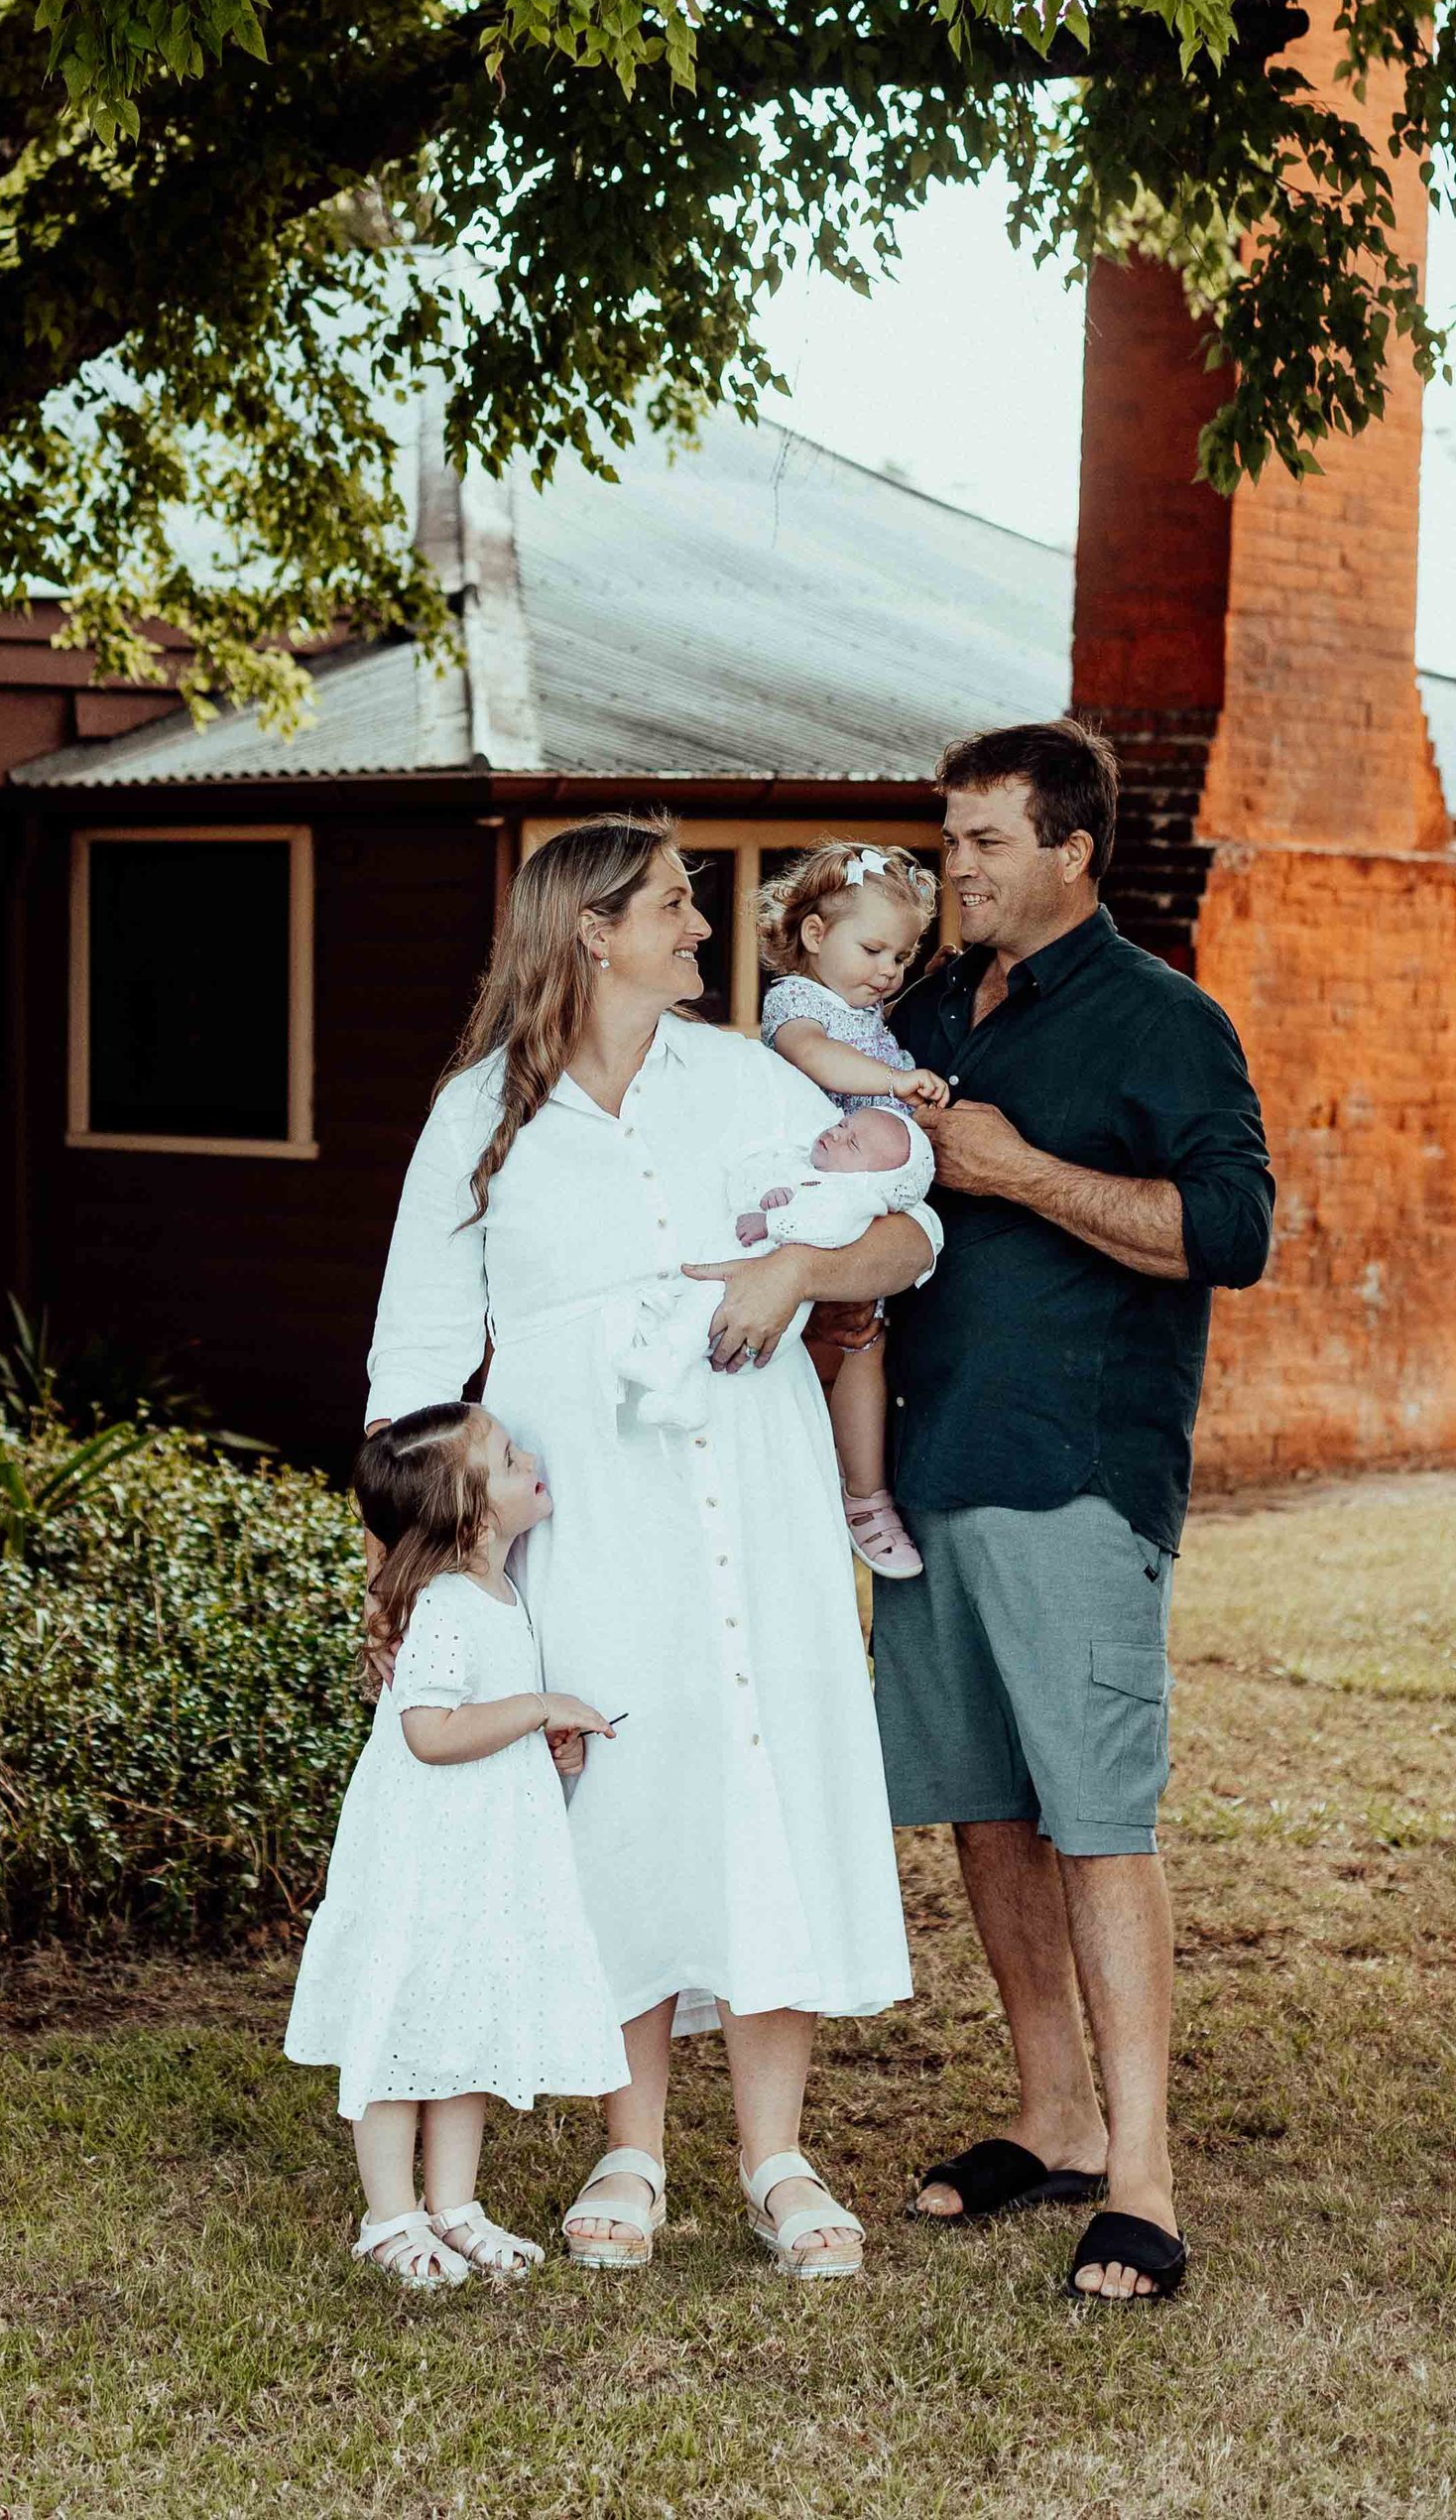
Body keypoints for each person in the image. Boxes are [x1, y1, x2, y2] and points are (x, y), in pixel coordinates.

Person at [366, 815, 936, 2282]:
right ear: (590, 930)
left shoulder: (748, 1076)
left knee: (763, 1765)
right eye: (678, 905)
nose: (703, 927)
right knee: (623, 1775)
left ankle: (778, 2153)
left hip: (752, 1472)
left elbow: (908, 1236)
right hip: (582, 1496)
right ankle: (632, 2144)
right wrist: (425, 1564)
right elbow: (420, 1355)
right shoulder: (479, 1110)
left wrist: (797, 1265)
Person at [872, 720, 1274, 2307]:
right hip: (924, 1472)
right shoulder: (913, 1010)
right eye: (946, 838)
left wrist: (1024, 1171)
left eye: (982, 841)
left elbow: (1231, 1231)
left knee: (1098, 1818)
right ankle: (1052, 2117)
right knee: (986, 1806)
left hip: (1076, 1470)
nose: (952, 866)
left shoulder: (1162, 1020)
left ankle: (1149, 2175)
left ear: (1070, 852)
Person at [283, 1402, 628, 2289]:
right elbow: (429, 1730)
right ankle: (389, 2216)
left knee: (463, 2020)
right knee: (404, 2026)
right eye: (512, 1458)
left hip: (481, 1855)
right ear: (474, 1516)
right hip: (423, 1859)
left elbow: (487, 1714)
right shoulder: (443, 1602)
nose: (533, 1458)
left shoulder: (503, 1593)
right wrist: (539, 1709)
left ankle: (454, 2205)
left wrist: (547, 1738)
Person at [756, 842, 950, 1579]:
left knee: (866, 1342)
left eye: (901, 957)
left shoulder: (868, 1013)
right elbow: (816, 1059)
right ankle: (831, 1494)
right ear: (814, 936)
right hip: (812, 1189)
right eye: (873, 949)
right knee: (827, 1346)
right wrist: (896, 1084)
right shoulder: (799, 1004)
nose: (887, 971)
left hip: (858, 1204)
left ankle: (864, 1497)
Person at [611, 1099, 936, 1434]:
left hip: (757, 1302)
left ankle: (666, 1360)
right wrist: (768, 1189)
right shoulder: (800, 1164)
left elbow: (831, 1226)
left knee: (700, 1311)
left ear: (873, 1180)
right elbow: (744, 1176)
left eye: (852, 1143)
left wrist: (773, 1222)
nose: (836, 1135)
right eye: (843, 1125)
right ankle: (683, 1398)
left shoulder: (853, 1198)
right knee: (687, 1309)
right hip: (732, 1272)